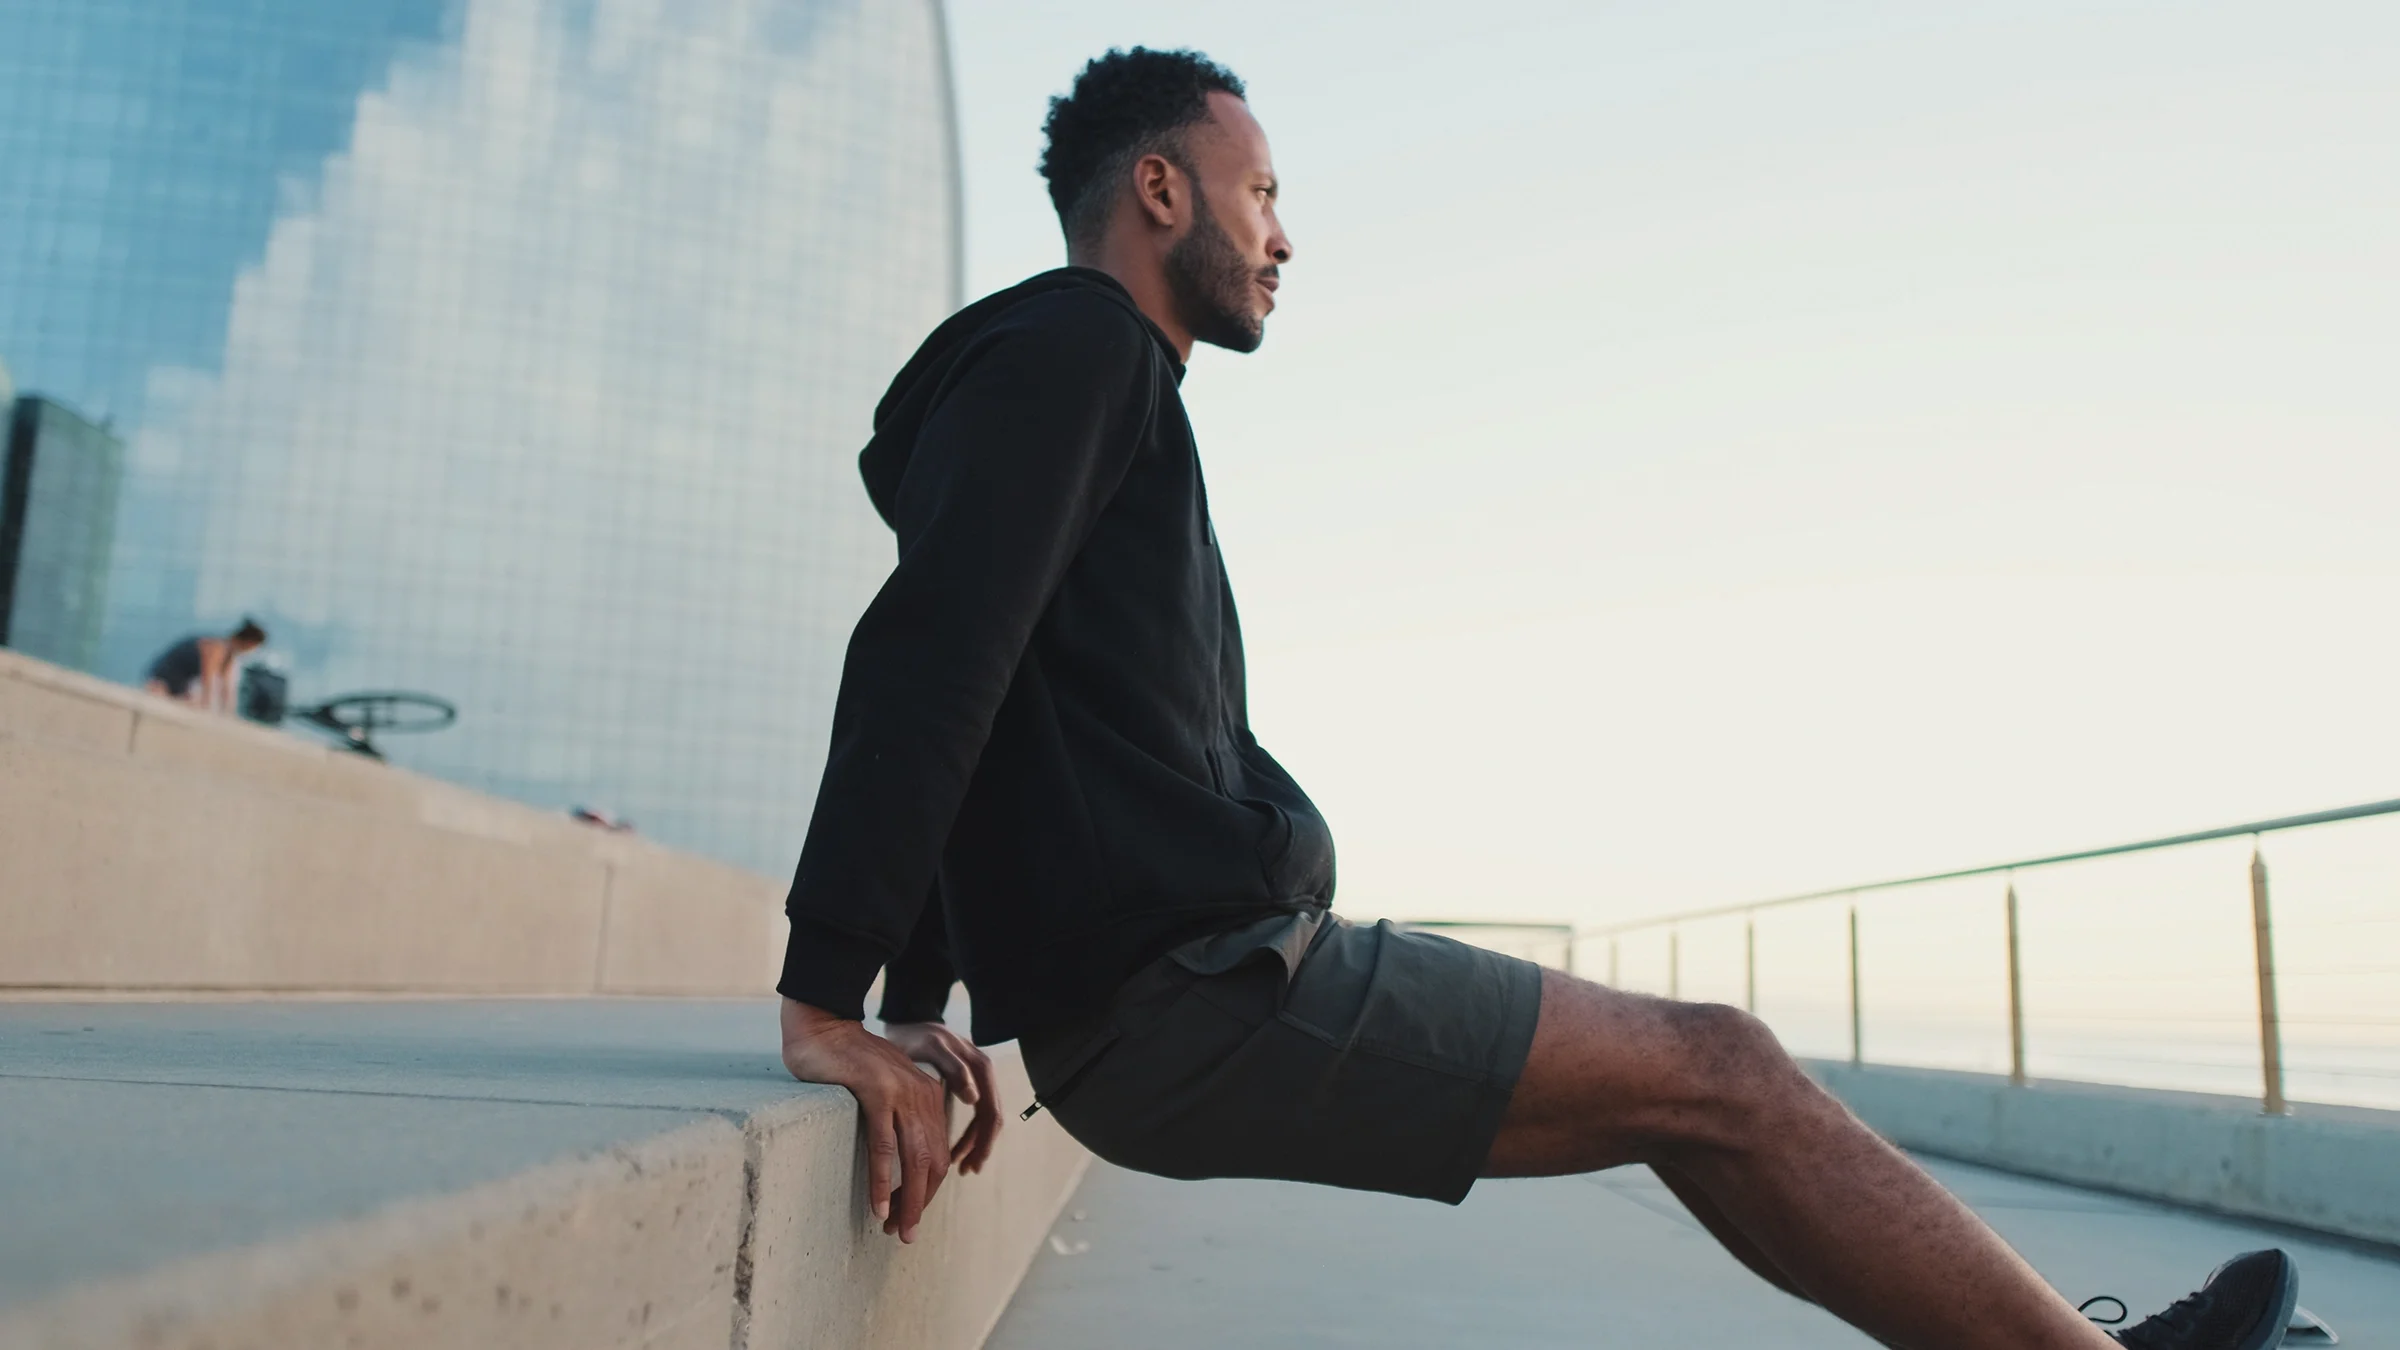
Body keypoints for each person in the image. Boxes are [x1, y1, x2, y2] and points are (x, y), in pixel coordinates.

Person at [776, 48, 2300, 1350]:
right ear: (1161, 191)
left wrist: (918, 993)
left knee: (1701, 1097)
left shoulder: (1073, 379)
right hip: (1197, 990)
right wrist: (833, 992)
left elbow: (997, 675)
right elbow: (933, 647)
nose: (1284, 238)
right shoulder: (1079, 345)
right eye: (1263, 195)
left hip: (1196, 985)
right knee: (1725, 1066)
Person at [143, 618, 266, 714]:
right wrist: (206, 706)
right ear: (250, 642)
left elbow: (227, 688)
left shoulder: (229, 657)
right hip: (161, 681)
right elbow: (207, 678)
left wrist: (228, 714)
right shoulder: (217, 646)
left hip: (178, 686)